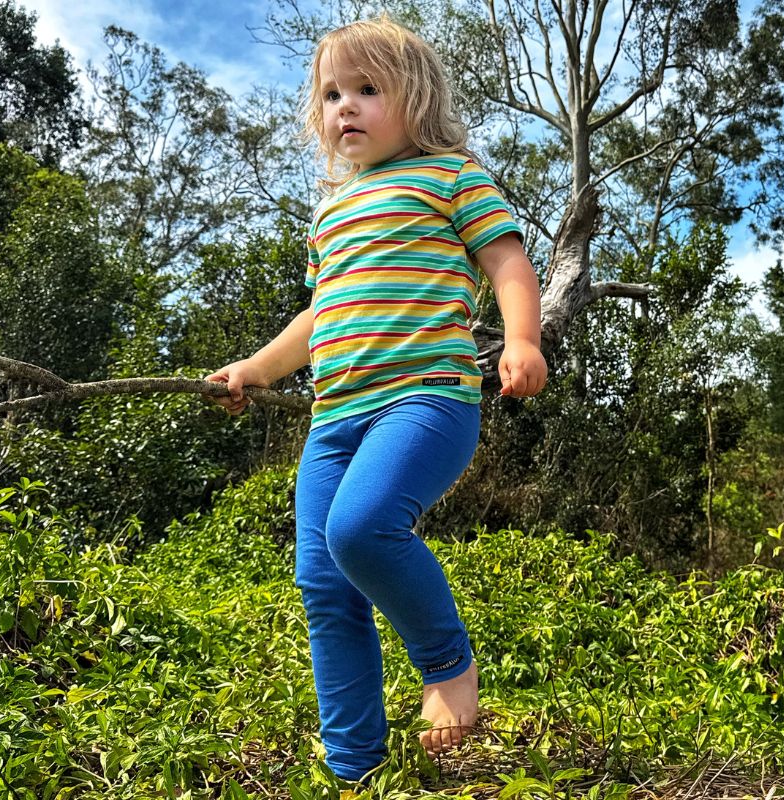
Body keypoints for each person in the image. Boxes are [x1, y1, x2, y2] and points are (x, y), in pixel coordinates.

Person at [205, 14, 547, 784]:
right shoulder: (329, 215)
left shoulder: (452, 176)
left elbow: (507, 262)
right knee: (325, 585)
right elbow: (317, 317)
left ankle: (447, 664)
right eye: (332, 95)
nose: (345, 107)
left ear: (417, 101)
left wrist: (522, 340)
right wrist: (255, 369)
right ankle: (353, 769)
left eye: (367, 89)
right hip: (333, 419)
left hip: (425, 400)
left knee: (359, 530)